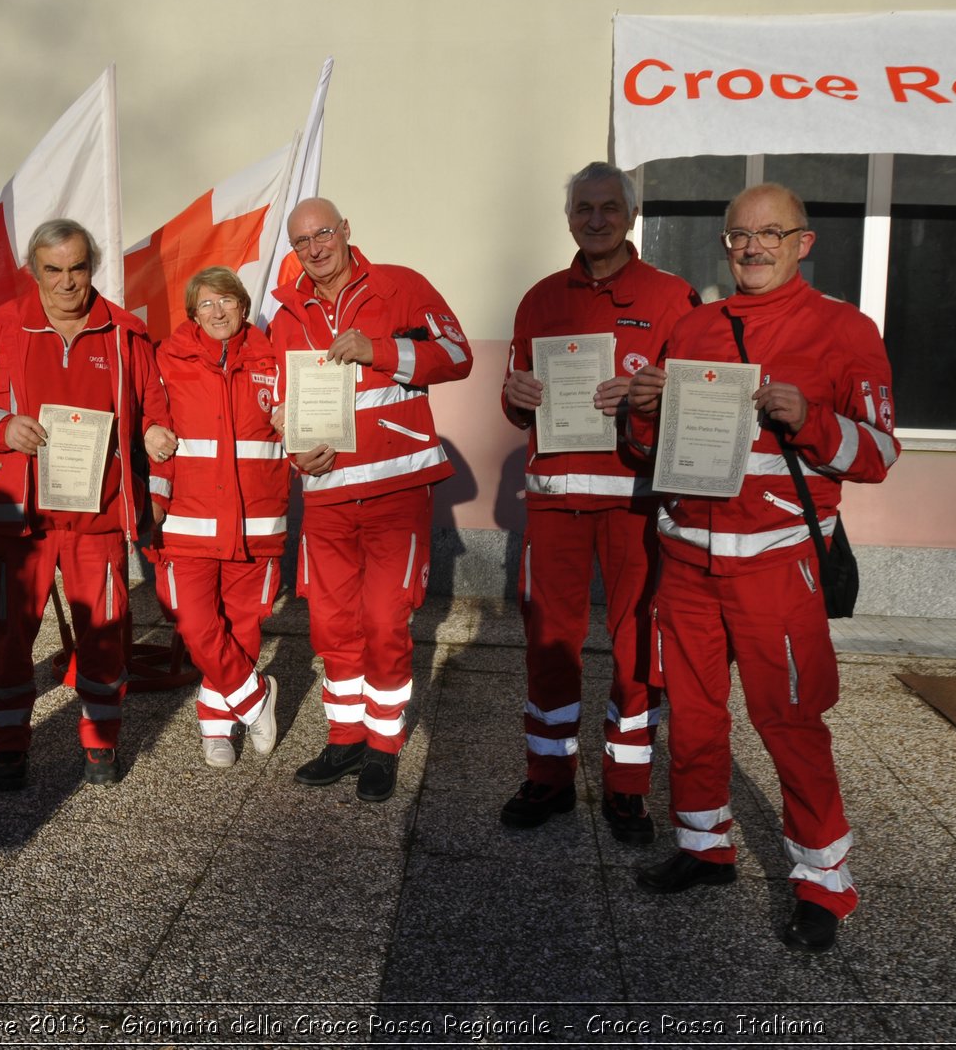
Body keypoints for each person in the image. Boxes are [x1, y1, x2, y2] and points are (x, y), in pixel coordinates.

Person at [625, 183, 900, 952]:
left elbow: (878, 453)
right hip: (684, 559)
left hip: (776, 567)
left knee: (790, 720)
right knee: (696, 711)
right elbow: (655, 453)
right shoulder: (694, 325)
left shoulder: (845, 329)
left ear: (803, 242)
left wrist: (810, 419)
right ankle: (705, 845)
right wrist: (644, 408)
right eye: (739, 235)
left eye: (770, 233)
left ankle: (823, 884)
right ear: (725, 245)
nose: (752, 247)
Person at [499, 162, 700, 843]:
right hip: (554, 500)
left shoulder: (674, 297)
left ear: (630, 214)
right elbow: (513, 395)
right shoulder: (538, 300)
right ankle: (548, 776)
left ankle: (627, 786)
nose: (595, 218)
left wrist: (661, 391)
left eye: (608, 207)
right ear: (569, 218)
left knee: (639, 644)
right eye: (583, 207)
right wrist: (518, 397)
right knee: (549, 642)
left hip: (636, 504)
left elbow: (698, 400)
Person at [268, 197, 472, 803]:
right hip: (327, 496)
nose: (315, 248)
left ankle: (384, 745)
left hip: (395, 488)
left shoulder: (400, 288)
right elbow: (280, 407)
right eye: (302, 241)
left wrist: (380, 351)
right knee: (332, 625)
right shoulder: (284, 315)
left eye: (323, 233)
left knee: (385, 623)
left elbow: (460, 356)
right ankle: (345, 737)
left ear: (347, 230)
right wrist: (295, 455)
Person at [0, 219, 173, 789]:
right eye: (52, 270)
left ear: (93, 267)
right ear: (34, 272)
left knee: (106, 635)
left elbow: (155, 410)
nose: (65, 282)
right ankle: (10, 746)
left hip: (99, 519)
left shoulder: (126, 334)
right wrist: (0, 426)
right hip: (22, 522)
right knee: (9, 637)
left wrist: (155, 441)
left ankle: (100, 744)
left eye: (77, 268)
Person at [147, 267, 290, 768]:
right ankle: (254, 701)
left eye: (226, 300)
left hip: (257, 520)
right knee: (195, 621)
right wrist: (148, 430)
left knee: (243, 623)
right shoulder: (167, 357)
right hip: (188, 521)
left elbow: (310, 422)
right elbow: (146, 409)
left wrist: (297, 419)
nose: (217, 311)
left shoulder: (275, 357)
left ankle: (215, 726)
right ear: (192, 314)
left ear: (243, 306)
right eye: (205, 304)